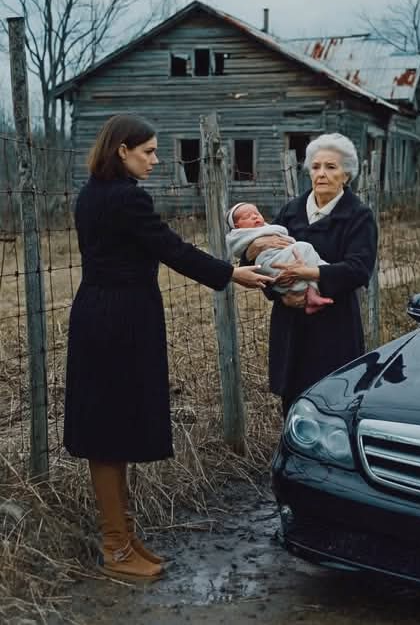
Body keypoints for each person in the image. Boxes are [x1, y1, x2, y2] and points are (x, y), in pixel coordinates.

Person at [64, 114, 272, 583]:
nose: (156, 160)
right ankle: (116, 546)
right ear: (122, 150)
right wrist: (230, 273)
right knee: (108, 432)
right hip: (118, 321)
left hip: (100, 314)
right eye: (149, 151)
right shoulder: (126, 198)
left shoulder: (92, 193)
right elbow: (171, 248)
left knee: (110, 429)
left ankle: (124, 536)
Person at [243, 133, 378, 418]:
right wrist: (279, 292)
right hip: (290, 326)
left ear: (346, 174)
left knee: (333, 406)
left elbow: (359, 269)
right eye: (316, 167)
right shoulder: (291, 212)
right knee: (293, 406)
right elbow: (260, 261)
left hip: (334, 326)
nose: (321, 173)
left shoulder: (358, 216)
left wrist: (311, 273)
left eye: (331, 167)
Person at [225, 202, 334, 314]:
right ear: (237, 227)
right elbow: (248, 265)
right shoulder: (291, 209)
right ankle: (312, 291)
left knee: (313, 258)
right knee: (304, 247)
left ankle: (318, 288)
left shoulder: (267, 228)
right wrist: (249, 252)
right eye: (247, 216)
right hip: (270, 261)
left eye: (257, 213)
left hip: (335, 308)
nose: (254, 216)